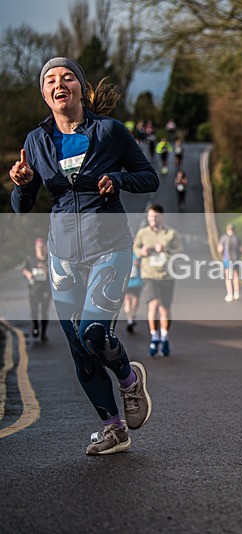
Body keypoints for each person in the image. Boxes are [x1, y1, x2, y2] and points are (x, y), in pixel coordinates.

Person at [9, 57, 158, 455]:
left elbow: (149, 177)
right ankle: (113, 429)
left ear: (80, 86)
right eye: (51, 81)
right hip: (62, 256)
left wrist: (120, 179)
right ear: (44, 94)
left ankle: (128, 380)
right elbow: (23, 206)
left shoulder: (109, 131)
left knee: (93, 332)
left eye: (68, 77)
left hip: (109, 246)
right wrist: (22, 185)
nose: (60, 84)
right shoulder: (37, 141)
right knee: (78, 346)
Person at [134, 204, 183, 357]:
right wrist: (141, 251)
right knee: (153, 305)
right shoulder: (142, 233)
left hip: (166, 276)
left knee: (165, 309)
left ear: (161, 217)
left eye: (155, 216)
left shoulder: (171, 234)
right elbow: (135, 248)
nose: (152, 219)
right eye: (150, 217)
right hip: (149, 275)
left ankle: (164, 337)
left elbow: (180, 251)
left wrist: (166, 249)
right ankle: (154, 338)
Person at [21, 237, 52, 343]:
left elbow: (55, 273)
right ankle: (35, 326)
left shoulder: (49, 259)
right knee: (34, 310)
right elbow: (24, 269)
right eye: (38, 247)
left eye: (42, 246)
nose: (40, 249)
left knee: (44, 311)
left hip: (46, 289)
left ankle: (43, 334)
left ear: (45, 247)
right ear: (35, 248)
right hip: (34, 289)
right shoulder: (31, 259)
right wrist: (27, 274)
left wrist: (46, 269)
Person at [217, 223, 242, 302]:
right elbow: (241, 249)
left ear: (227, 229)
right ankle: (237, 293)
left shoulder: (224, 238)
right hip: (236, 259)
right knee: (236, 276)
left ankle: (230, 294)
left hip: (227, 259)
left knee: (228, 277)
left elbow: (220, 249)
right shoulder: (237, 238)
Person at [123, 252, 143, 334]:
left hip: (137, 282)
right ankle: (129, 320)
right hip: (126, 282)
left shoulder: (138, 254)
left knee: (135, 302)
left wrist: (139, 264)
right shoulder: (123, 253)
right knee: (127, 301)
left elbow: (146, 267)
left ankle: (132, 316)